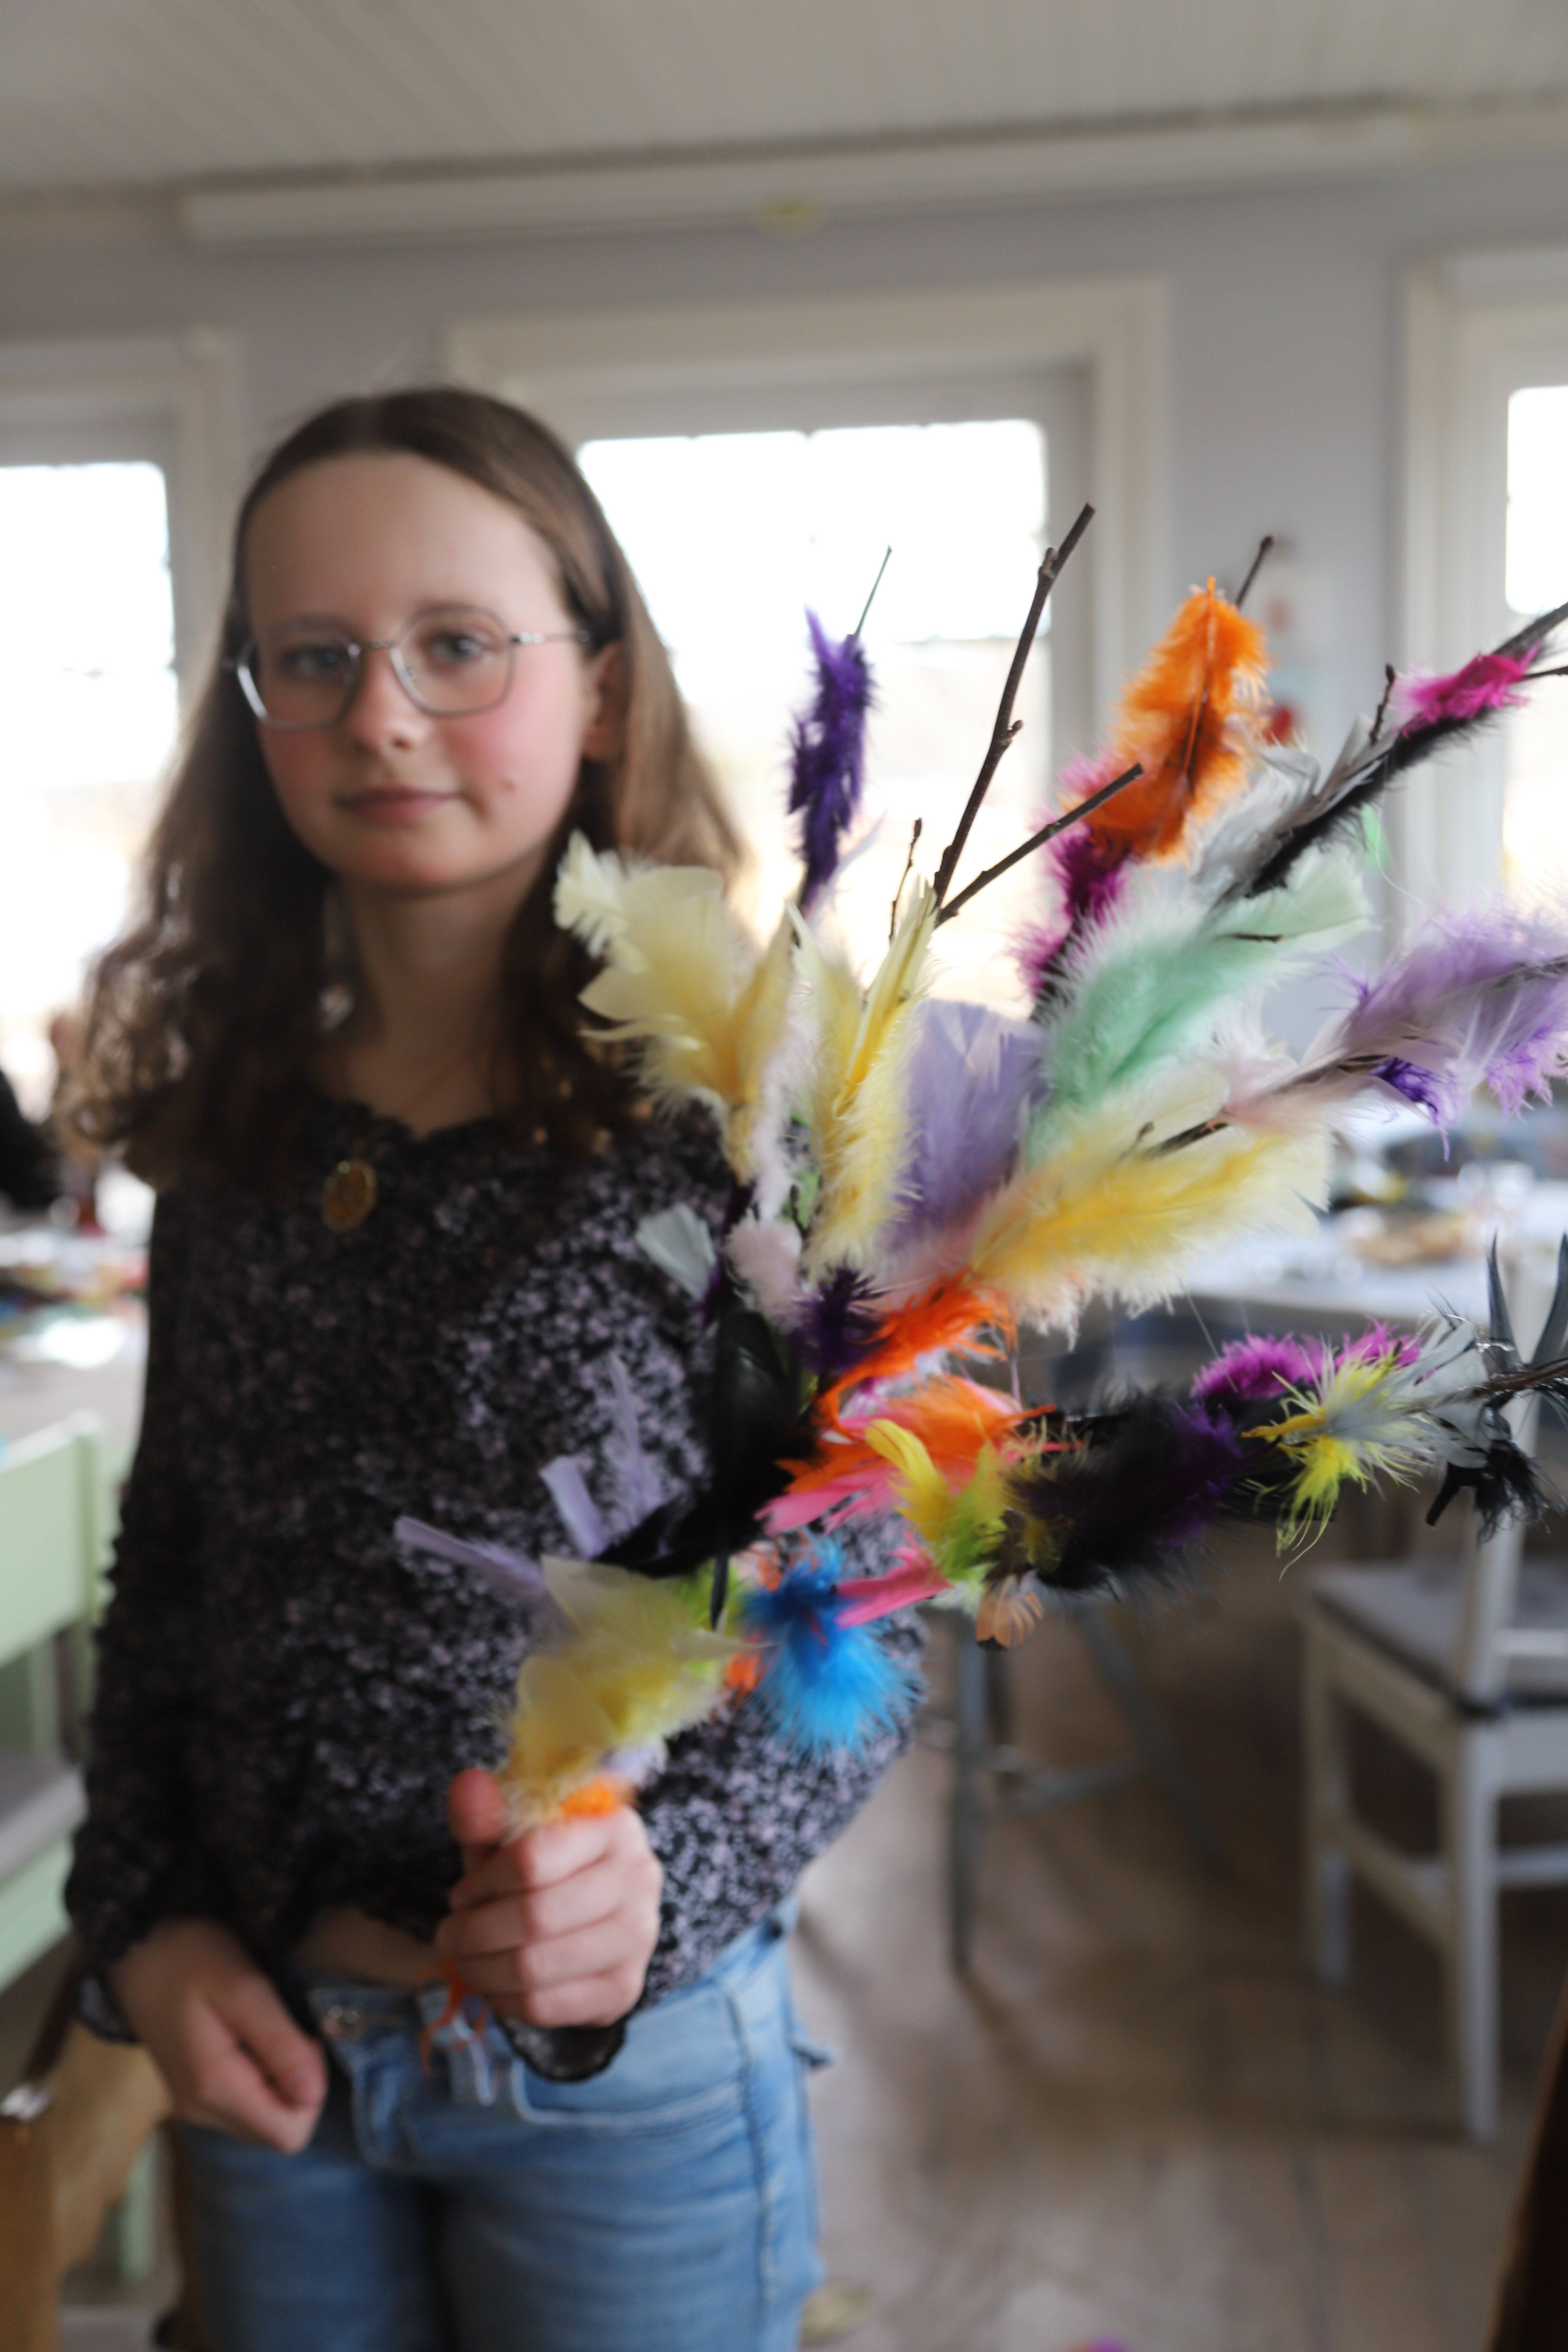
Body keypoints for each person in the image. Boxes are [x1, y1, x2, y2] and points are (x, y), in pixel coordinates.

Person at [64, 389, 916, 2352]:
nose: (381, 714)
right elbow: (175, 1569)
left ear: (601, 690)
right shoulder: (234, 1128)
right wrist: (146, 1922)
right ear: (254, 706)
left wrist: (665, 1881)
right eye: (314, 657)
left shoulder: (750, 1124)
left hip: (621, 2086)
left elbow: (868, 1611)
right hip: (274, 2056)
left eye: (458, 643)